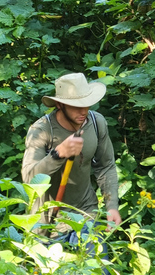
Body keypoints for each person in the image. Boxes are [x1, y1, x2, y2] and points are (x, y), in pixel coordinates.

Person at [22, 73, 121, 253]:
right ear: (60, 105)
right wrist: (58, 154)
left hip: (85, 213)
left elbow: (106, 166)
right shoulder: (42, 130)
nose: (83, 111)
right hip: (48, 222)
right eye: (76, 106)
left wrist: (112, 205)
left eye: (86, 103)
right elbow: (29, 180)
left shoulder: (97, 122)